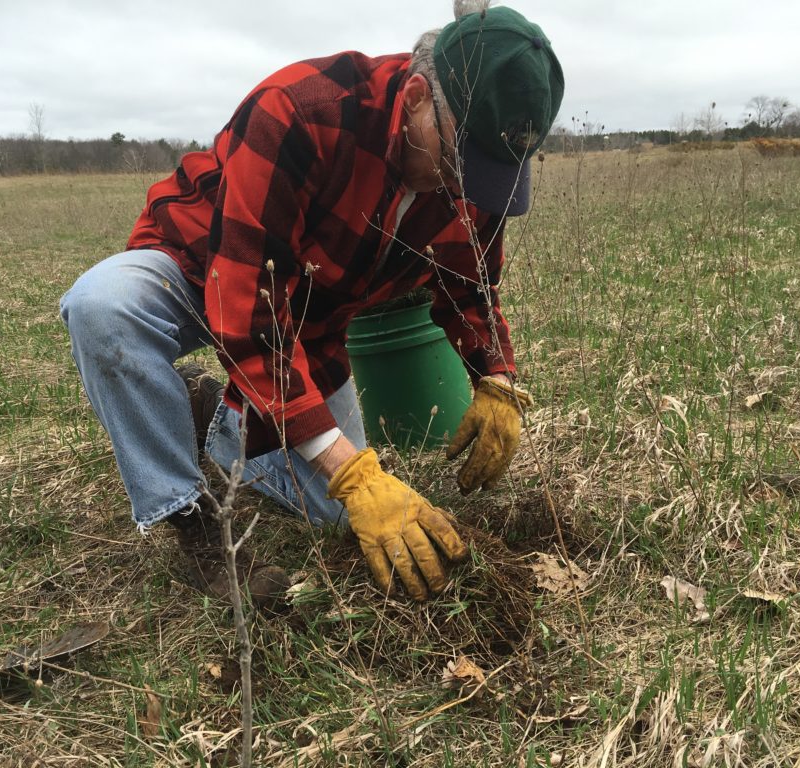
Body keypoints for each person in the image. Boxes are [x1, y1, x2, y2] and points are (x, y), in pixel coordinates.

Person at [59, 0, 563, 604]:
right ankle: (187, 516)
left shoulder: (470, 171)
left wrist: (496, 378)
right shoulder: (300, 112)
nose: (465, 185)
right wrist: (350, 468)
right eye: (461, 159)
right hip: (207, 265)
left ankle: (213, 419)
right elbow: (249, 310)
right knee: (103, 306)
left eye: (487, 170)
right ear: (416, 99)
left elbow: (468, 285)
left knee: (333, 513)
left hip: (306, 320)